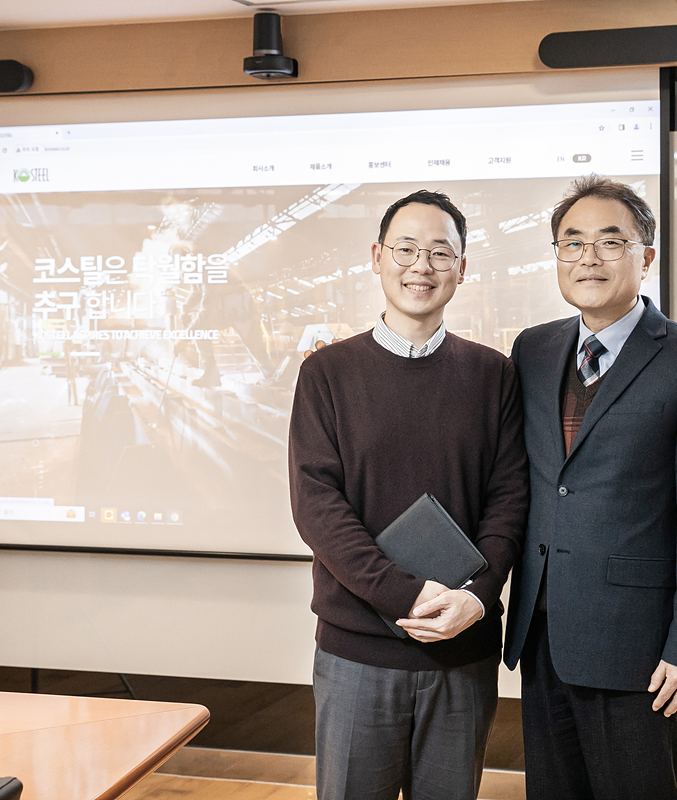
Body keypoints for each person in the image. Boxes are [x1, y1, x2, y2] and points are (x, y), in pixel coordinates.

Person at [503, 175, 677, 799]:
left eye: (611, 241)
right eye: (572, 242)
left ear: (646, 257)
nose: (589, 257)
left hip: (637, 645)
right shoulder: (533, 350)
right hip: (542, 631)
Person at [288, 189, 529, 800]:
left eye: (440, 252)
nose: (422, 266)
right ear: (377, 257)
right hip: (357, 654)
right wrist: (407, 593)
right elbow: (317, 507)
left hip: (461, 648)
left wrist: (476, 597)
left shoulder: (494, 374)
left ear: (462, 268)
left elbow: (509, 500)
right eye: (406, 249)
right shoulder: (327, 373)